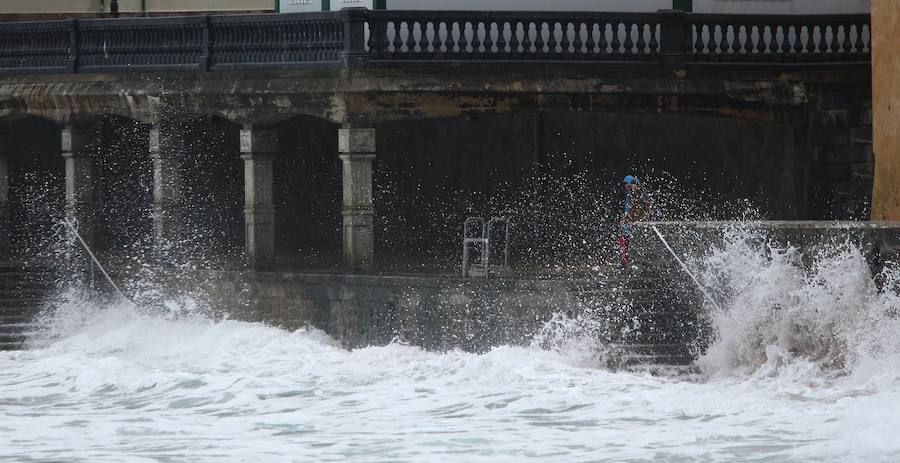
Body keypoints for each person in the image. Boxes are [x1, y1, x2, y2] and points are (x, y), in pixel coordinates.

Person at [618, 175, 653, 268]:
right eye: (627, 187)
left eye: (629, 186)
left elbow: (647, 207)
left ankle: (635, 261)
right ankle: (624, 259)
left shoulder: (642, 193)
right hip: (630, 221)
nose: (628, 188)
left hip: (640, 221)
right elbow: (628, 209)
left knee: (635, 240)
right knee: (623, 237)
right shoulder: (629, 194)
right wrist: (625, 218)